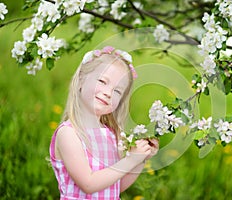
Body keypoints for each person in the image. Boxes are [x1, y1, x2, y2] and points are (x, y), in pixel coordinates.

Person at [49, 46, 159, 199]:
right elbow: (88, 184)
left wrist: (140, 159)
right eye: (102, 81)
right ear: (81, 79)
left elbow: (116, 186)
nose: (108, 93)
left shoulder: (111, 135)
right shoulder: (69, 133)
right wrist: (130, 159)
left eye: (117, 91)